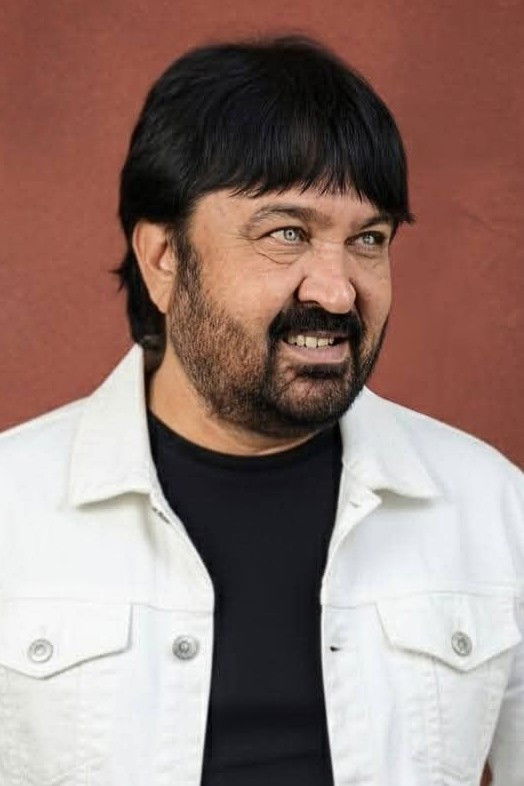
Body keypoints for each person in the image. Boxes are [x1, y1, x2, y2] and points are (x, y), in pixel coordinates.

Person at [0, 34, 522, 786]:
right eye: (287, 234)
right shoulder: (13, 510)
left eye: (368, 239)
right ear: (163, 259)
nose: (337, 291)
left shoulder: (493, 509)